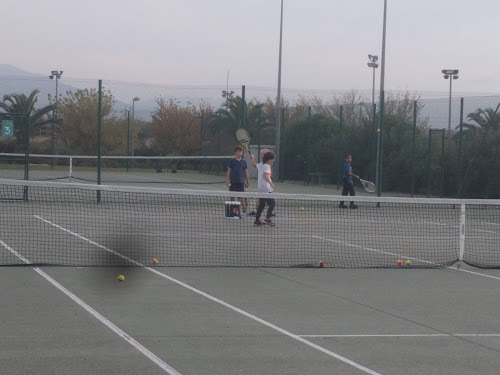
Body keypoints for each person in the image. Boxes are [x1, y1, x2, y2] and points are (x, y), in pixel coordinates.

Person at [226, 145, 250, 218]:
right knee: (232, 197)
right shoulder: (232, 161)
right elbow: (229, 171)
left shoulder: (244, 162)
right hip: (233, 182)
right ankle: (231, 212)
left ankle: (237, 212)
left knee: (240, 198)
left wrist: (248, 181)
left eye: (241, 151)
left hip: (241, 182)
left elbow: (246, 172)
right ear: (235, 152)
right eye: (238, 151)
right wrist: (227, 181)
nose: (240, 153)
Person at [254, 151, 276, 226]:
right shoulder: (267, 166)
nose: (273, 161)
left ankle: (257, 220)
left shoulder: (260, 165)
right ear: (269, 159)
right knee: (272, 203)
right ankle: (267, 218)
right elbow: (265, 175)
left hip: (260, 189)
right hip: (266, 189)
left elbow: (254, 165)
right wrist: (271, 184)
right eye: (273, 159)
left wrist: (252, 159)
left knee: (262, 205)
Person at [248, 148, 271, 216]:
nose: (262, 156)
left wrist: (271, 184)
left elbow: (265, 176)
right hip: (262, 187)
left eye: (264, 154)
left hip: (267, 187)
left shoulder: (267, 165)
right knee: (262, 201)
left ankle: (268, 213)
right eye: (261, 154)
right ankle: (258, 215)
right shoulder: (261, 164)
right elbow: (255, 165)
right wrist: (252, 158)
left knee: (269, 202)